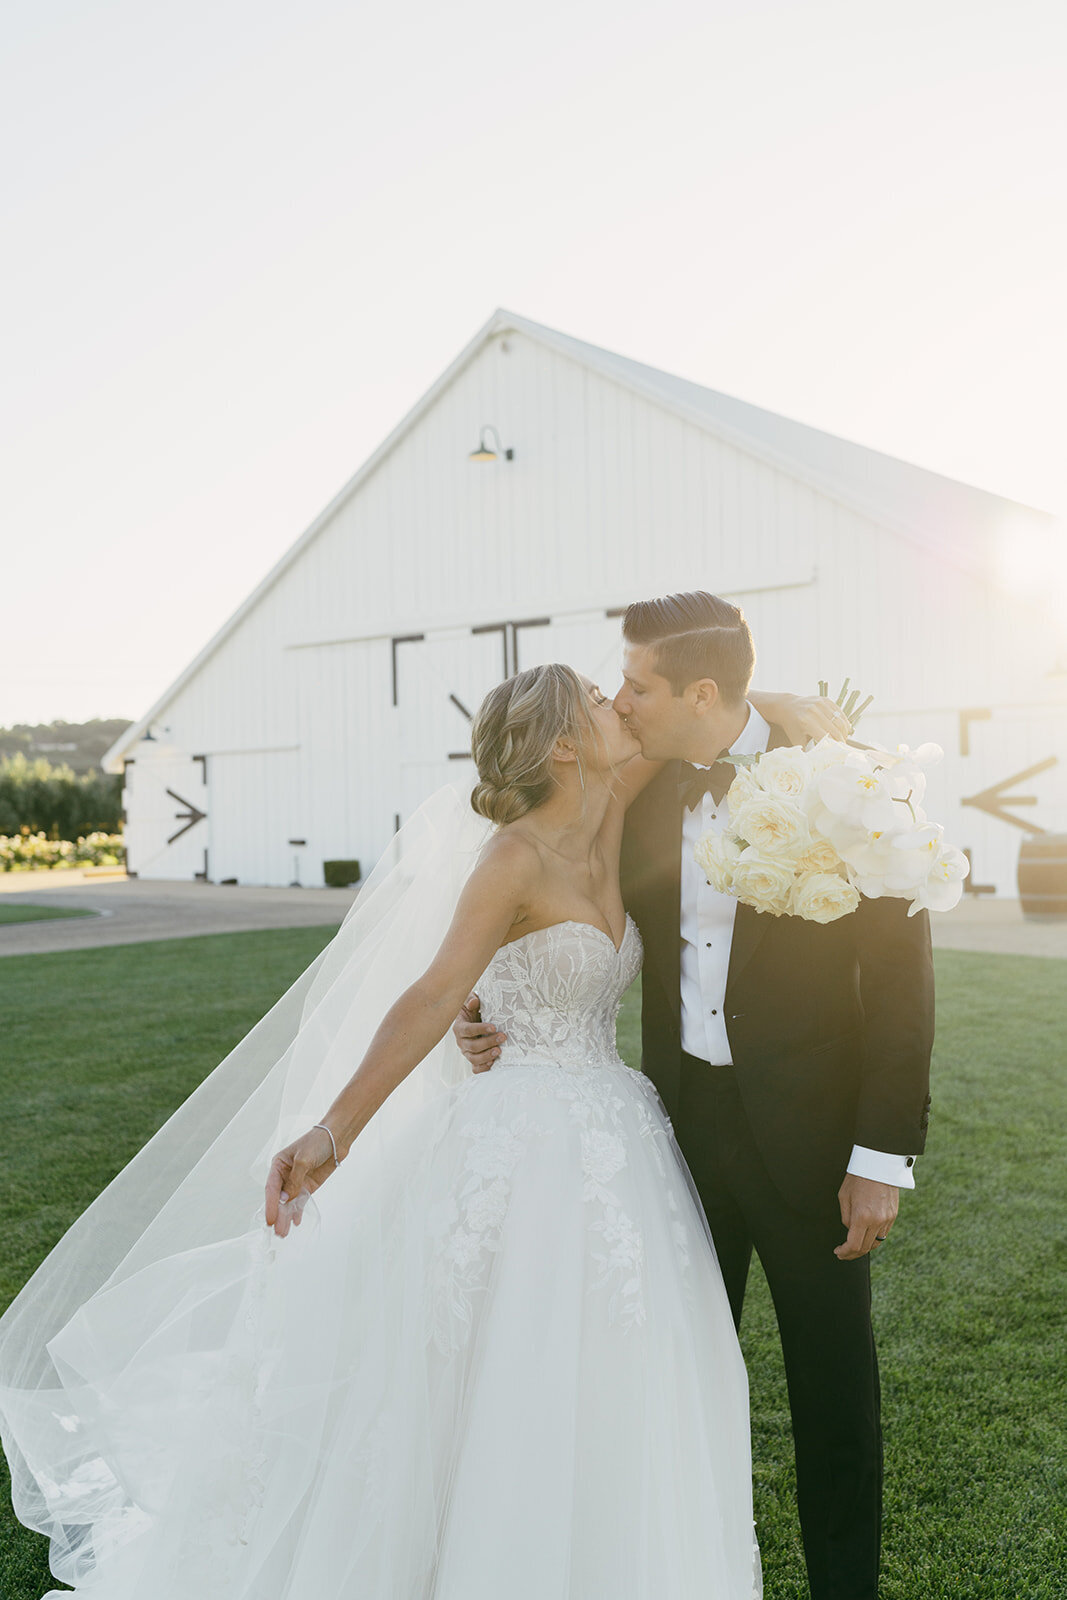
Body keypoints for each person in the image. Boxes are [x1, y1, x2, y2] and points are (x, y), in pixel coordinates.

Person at [0, 660, 827, 1600]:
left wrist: (788, 708)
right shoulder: (510, 858)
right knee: (499, 1376)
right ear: (563, 742)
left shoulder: (613, 802)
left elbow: (711, 717)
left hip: (617, 1138)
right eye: (601, 700)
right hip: (519, 1146)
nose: (622, 702)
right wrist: (332, 1133)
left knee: (622, 1372)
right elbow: (434, 992)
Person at [456, 594, 935, 1600]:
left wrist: (877, 1156)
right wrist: (479, 1000)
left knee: (832, 1395)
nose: (620, 700)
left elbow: (900, 984)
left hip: (811, 1150)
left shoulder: (844, 784)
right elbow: (539, 886)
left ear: (700, 692)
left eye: (636, 685)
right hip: (664, 1142)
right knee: (659, 1386)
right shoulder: (635, 790)